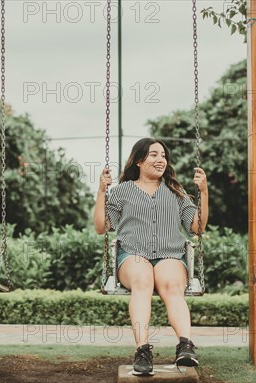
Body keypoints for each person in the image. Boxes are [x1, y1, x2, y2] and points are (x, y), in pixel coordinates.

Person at [94, 138, 209, 376]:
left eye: (164, 156)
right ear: (138, 160)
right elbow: (101, 227)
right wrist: (101, 192)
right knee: (143, 281)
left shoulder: (176, 192)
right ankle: (142, 350)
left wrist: (204, 193)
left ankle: (185, 346)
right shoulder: (121, 192)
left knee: (172, 285)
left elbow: (197, 227)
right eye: (154, 155)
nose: (161, 160)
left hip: (169, 254)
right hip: (133, 254)